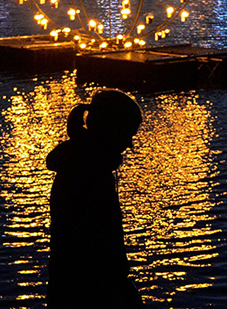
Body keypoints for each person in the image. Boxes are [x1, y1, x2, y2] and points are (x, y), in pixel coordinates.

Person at [46, 88, 144, 308]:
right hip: (88, 294)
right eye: (128, 134)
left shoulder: (80, 163)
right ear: (111, 129)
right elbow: (96, 247)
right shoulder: (90, 173)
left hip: (68, 288)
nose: (130, 144)